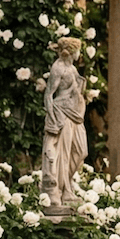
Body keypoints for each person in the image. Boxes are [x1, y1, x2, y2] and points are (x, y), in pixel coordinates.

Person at [41, 36, 88, 211]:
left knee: (81, 151)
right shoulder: (58, 68)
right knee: (64, 154)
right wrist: (52, 117)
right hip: (62, 114)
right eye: (78, 51)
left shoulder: (72, 68)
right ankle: (63, 190)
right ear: (71, 51)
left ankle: (67, 186)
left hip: (75, 114)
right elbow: (49, 95)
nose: (79, 54)